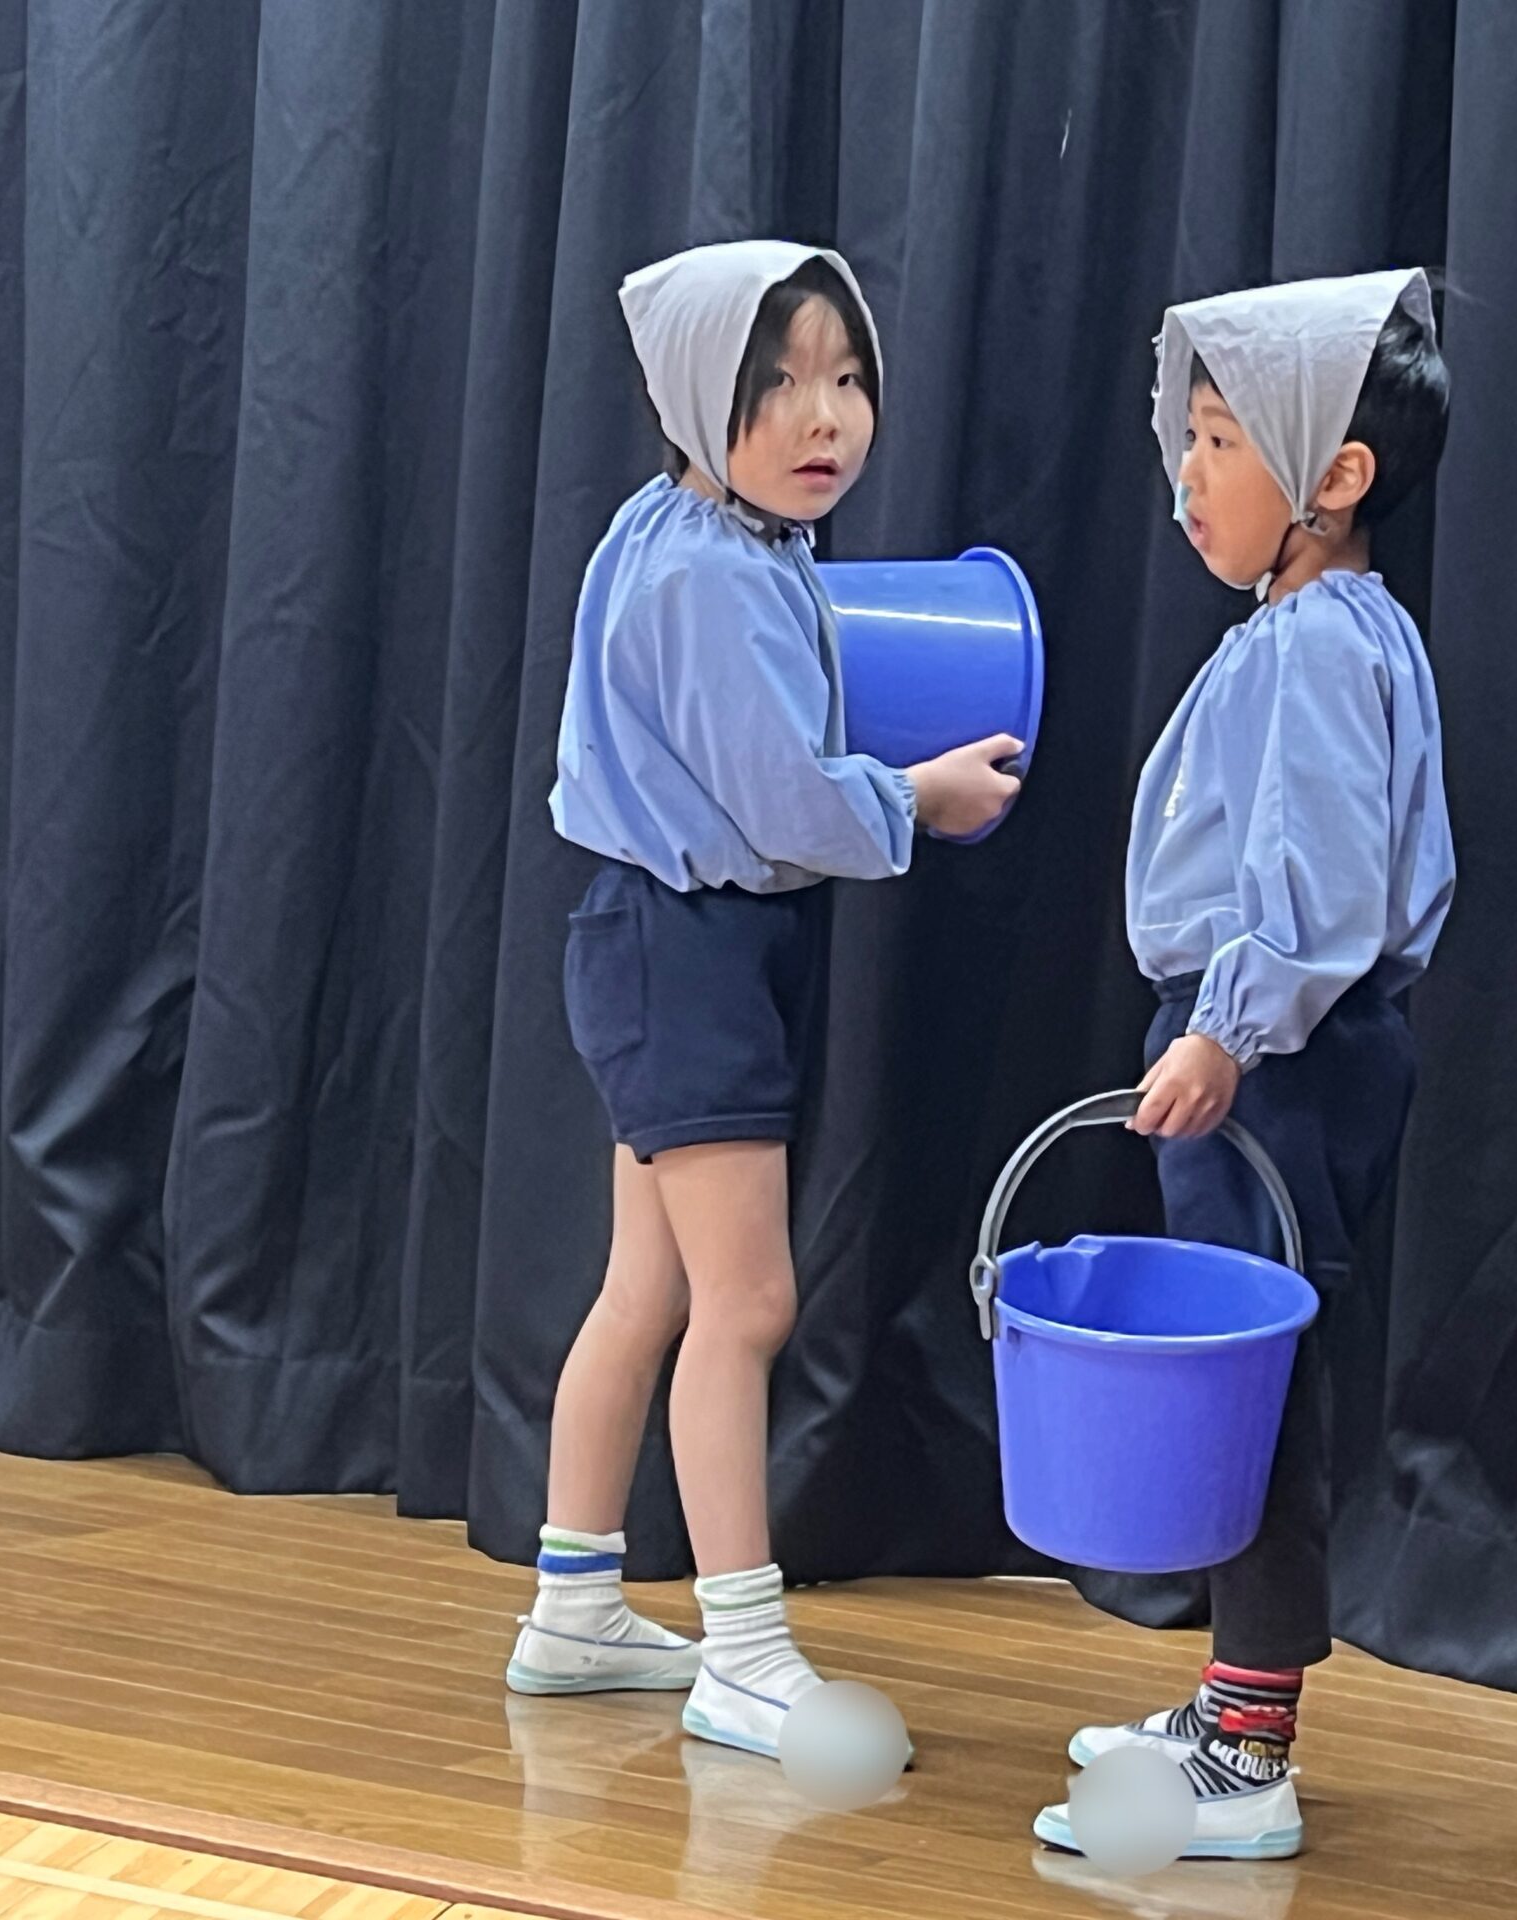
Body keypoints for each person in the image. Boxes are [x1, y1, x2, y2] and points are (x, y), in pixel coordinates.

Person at [505, 239, 1021, 1761]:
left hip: (658, 940)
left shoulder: (683, 533)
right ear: (692, 399)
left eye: (847, 379)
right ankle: (741, 1646)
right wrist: (919, 796)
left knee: (649, 1290)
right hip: (691, 952)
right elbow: (788, 798)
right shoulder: (714, 576)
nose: (825, 417)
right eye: (779, 384)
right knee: (748, 1305)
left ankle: (572, 1607)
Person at [1032, 270, 1457, 1863]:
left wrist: (1229, 1024)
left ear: (1335, 477)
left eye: (1223, 440)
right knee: (1244, 1372)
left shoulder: (1314, 646)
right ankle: (1231, 1699)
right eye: (1193, 436)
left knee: (1254, 1388)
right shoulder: (1318, 630)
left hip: (1279, 1058)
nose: (1189, 472)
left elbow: (1318, 877)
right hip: (1271, 1044)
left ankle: (1250, 1756)